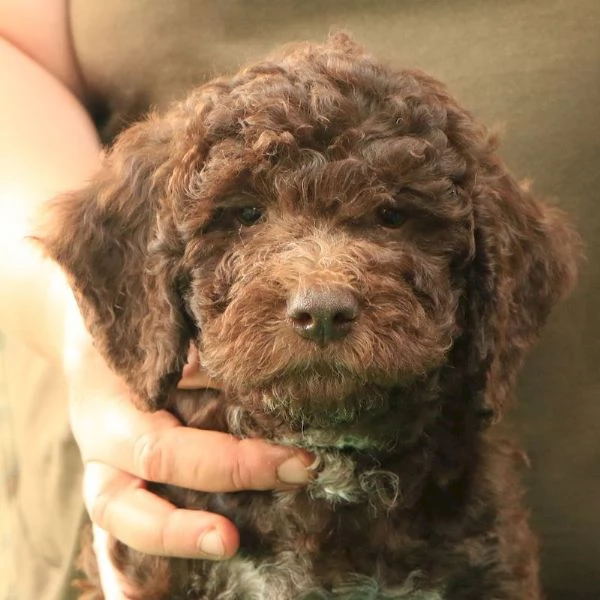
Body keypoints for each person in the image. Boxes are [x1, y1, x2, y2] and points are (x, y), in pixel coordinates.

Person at [0, 1, 598, 599]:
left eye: (391, 216)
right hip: (167, 471)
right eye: (247, 214)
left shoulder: (465, 522)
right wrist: (78, 324)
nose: (322, 288)